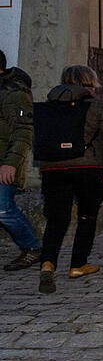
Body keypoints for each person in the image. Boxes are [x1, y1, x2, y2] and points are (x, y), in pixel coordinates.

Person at [37, 64, 103, 294]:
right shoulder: (97, 106)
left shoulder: (50, 105)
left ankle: (48, 263)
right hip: (88, 167)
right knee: (87, 215)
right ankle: (78, 264)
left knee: (56, 219)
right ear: (90, 81)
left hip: (53, 168)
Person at [0, 50, 41, 271]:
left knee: (3, 209)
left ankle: (32, 247)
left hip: (4, 162)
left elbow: (23, 131)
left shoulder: (15, 93)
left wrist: (11, 163)